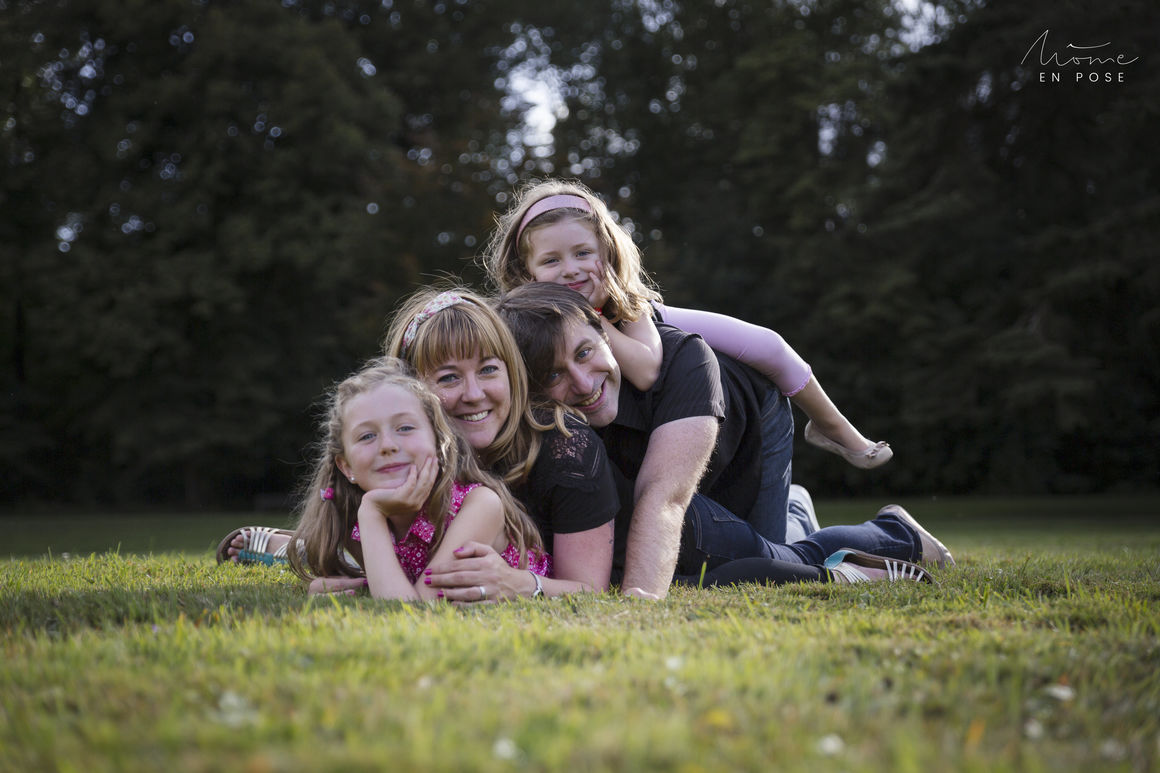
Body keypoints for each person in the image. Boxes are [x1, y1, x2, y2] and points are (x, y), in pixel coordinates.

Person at [495, 282, 953, 599]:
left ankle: (896, 534)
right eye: (554, 374)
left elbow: (666, 500)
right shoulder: (534, 413)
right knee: (765, 552)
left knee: (784, 556)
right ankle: (799, 510)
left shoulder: (684, 358)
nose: (581, 381)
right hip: (661, 494)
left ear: (605, 333)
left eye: (585, 353)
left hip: (736, 452)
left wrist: (643, 598)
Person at [221, 288, 618, 601]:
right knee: (346, 547)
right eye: (448, 378)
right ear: (413, 392)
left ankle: (294, 548)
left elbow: (588, 589)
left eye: (488, 370)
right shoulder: (397, 461)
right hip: (403, 548)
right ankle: (299, 548)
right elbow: (403, 573)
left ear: (511, 372)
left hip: (517, 563)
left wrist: (519, 583)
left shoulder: (560, 448)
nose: (474, 393)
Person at [481, 178, 891, 470]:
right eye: (551, 261)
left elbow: (644, 371)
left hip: (655, 324)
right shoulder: (523, 323)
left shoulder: (630, 307)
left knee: (768, 345)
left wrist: (589, 320)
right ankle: (799, 506)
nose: (570, 271)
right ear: (527, 272)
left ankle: (832, 427)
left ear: (607, 253)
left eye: (583, 253)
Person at [283, 356, 548, 601]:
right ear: (346, 466)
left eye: (405, 428)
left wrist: (372, 513)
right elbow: (395, 585)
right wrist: (361, 586)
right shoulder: (351, 512)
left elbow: (411, 607)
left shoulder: (480, 505)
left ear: (438, 440)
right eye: (366, 436)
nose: (387, 445)